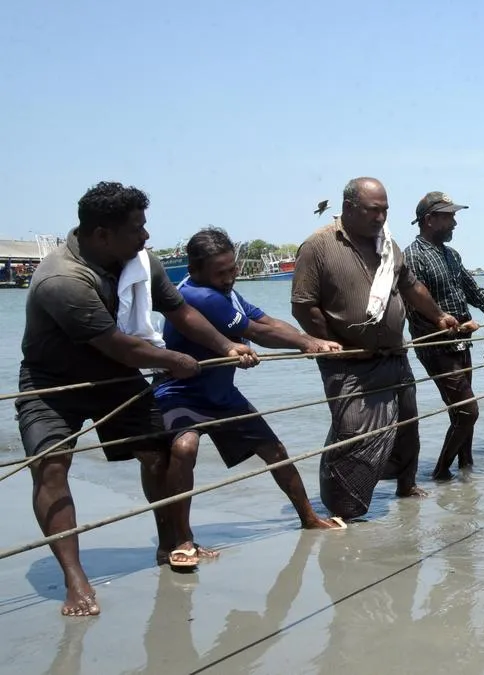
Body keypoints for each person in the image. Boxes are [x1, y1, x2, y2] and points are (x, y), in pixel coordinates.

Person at [15, 181, 258, 616]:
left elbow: (179, 310)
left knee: (161, 452)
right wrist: (176, 359)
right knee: (51, 468)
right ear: (102, 235)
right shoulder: (62, 279)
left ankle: (173, 543)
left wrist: (225, 346)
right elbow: (118, 345)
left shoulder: (141, 262)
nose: (147, 236)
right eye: (137, 228)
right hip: (53, 383)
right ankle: (76, 580)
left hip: (115, 376)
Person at [153, 227, 346, 569]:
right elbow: (255, 332)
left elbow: (265, 319)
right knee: (184, 449)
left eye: (232, 269)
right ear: (195, 270)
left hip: (221, 393)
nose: (229, 278)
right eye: (221, 272)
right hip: (181, 391)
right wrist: (306, 345)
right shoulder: (197, 295)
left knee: (275, 451)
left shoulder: (226, 292)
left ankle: (308, 517)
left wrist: (311, 338)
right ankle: (183, 538)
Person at [291, 177, 460, 520]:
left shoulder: (388, 246)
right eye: (373, 210)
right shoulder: (318, 246)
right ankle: (342, 505)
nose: (381, 217)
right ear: (349, 208)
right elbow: (303, 306)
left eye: (385, 210)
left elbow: (411, 287)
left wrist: (440, 316)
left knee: (407, 424)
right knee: (352, 432)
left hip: (395, 355)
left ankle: (406, 486)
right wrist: (330, 344)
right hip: (348, 363)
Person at [404, 191, 484, 481]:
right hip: (437, 347)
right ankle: (440, 473)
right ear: (429, 220)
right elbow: (414, 308)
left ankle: (466, 473)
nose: (455, 223)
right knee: (468, 412)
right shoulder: (412, 257)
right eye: (449, 217)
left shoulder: (452, 255)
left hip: (462, 342)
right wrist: (448, 326)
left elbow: (475, 293)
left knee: (460, 414)